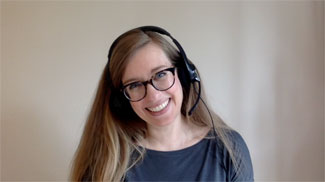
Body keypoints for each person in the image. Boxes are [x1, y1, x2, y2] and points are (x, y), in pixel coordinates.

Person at [70, 26, 254, 181]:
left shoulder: (229, 147)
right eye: (134, 85)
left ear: (183, 75)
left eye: (160, 74)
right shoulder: (106, 161)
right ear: (120, 100)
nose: (153, 95)